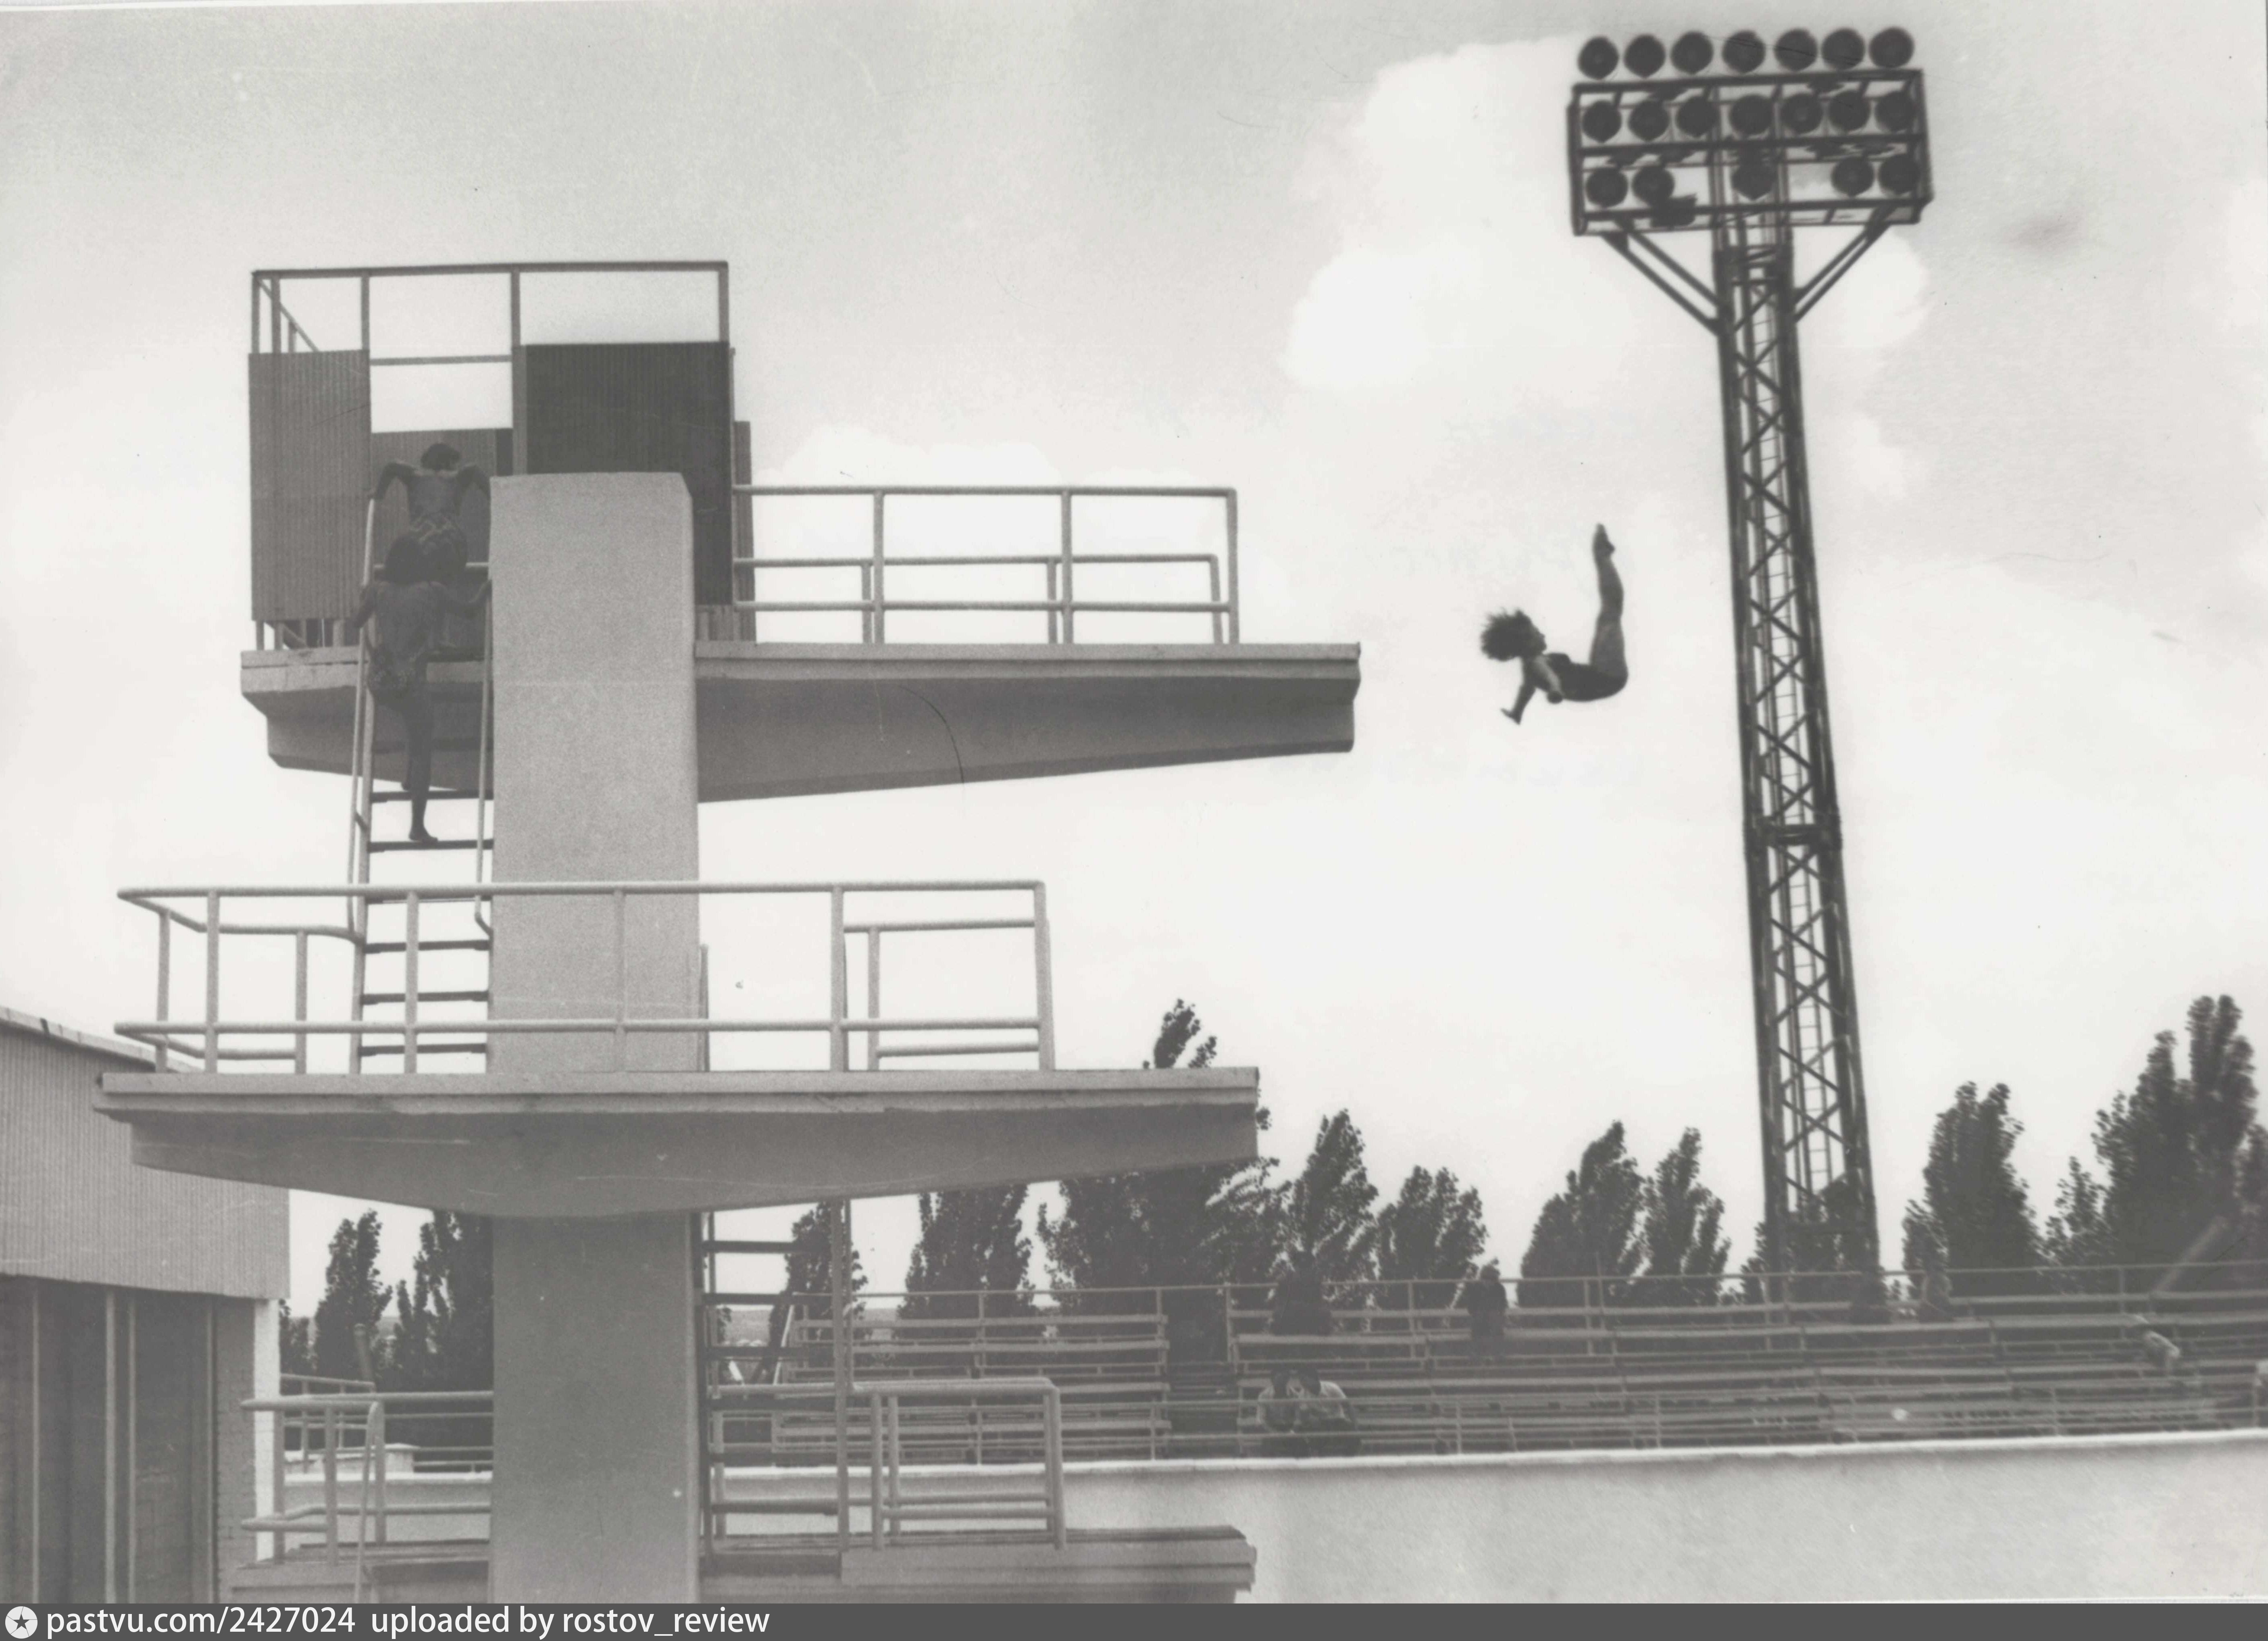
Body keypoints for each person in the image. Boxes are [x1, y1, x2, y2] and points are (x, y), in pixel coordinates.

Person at [346, 533, 491, 845]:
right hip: (411, 681)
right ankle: (417, 826)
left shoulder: (377, 590)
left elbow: (355, 623)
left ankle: (408, 777)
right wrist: (486, 590)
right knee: (423, 744)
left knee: (412, 721)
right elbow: (469, 611)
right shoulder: (432, 591)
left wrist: (373, 651)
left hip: (381, 680)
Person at [1482, 524, 1627, 723]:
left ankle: (1603, 556)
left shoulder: (1529, 670)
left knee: (1609, 614)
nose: (1542, 635)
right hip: (1607, 677)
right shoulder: (1536, 663)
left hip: (1602, 678)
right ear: (1527, 643)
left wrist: (1517, 713)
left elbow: (1526, 691)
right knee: (1610, 612)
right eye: (1537, 633)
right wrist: (1555, 689)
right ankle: (1602, 556)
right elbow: (1550, 676)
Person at [373, 442, 490, 587]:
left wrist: (379, 493)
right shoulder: (456, 477)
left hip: (420, 533)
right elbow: (474, 469)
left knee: (412, 577)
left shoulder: (416, 475)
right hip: (449, 533)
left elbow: (392, 466)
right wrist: (494, 496)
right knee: (446, 582)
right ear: (449, 462)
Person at [1292, 1367, 1360, 1457]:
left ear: (1314, 1378)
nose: (1302, 1383)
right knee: (1306, 1432)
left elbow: (1348, 1406)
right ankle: (1315, 1457)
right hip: (1321, 1424)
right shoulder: (1302, 1395)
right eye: (1301, 1380)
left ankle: (1351, 1459)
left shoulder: (1332, 1388)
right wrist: (1307, 1417)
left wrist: (1355, 1425)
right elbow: (1304, 1416)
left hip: (1338, 1420)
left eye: (1304, 1379)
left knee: (1353, 1433)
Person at [1269, 1250, 1333, 1339]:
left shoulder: (1314, 1281)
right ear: (1296, 1266)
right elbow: (1281, 1302)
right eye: (1300, 1266)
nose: (1303, 1270)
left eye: (1306, 1266)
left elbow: (1319, 1301)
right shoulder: (1288, 1280)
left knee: (1322, 1312)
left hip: (1308, 1321)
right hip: (1294, 1322)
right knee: (1282, 1312)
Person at [1459, 1262, 1510, 1356]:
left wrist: (1492, 1313)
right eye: (1486, 1278)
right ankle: (1478, 1352)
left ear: (1495, 1279)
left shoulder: (1499, 1289)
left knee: (1494, 1319)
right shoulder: (1476, 1288)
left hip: (1493, 1320)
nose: (1488, 1281)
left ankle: (1496, 1353)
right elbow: (1471, 1307)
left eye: (1492, 1279)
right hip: (1480, 1319)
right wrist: (1480, 1313)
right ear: (1482, 1278)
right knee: (1480, 1319)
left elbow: (1502, 1306)